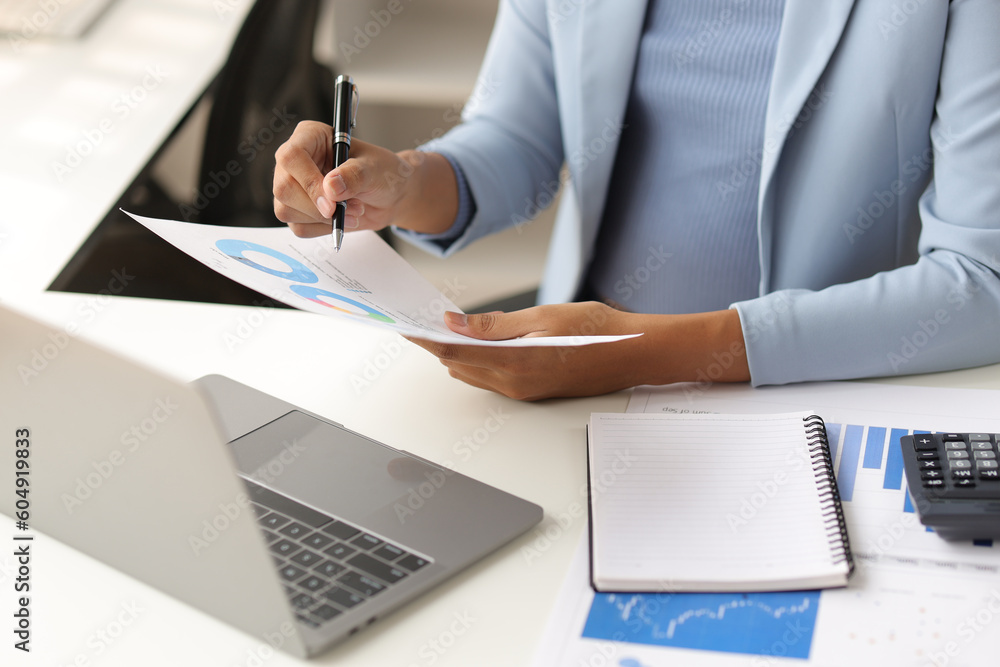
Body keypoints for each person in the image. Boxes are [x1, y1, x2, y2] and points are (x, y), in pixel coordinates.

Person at [272, 0, 1000, 401]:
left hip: (822, 387)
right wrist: (399, 181)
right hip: (583, 376)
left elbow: (982, 280)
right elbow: (515, 140)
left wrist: (640, 352)